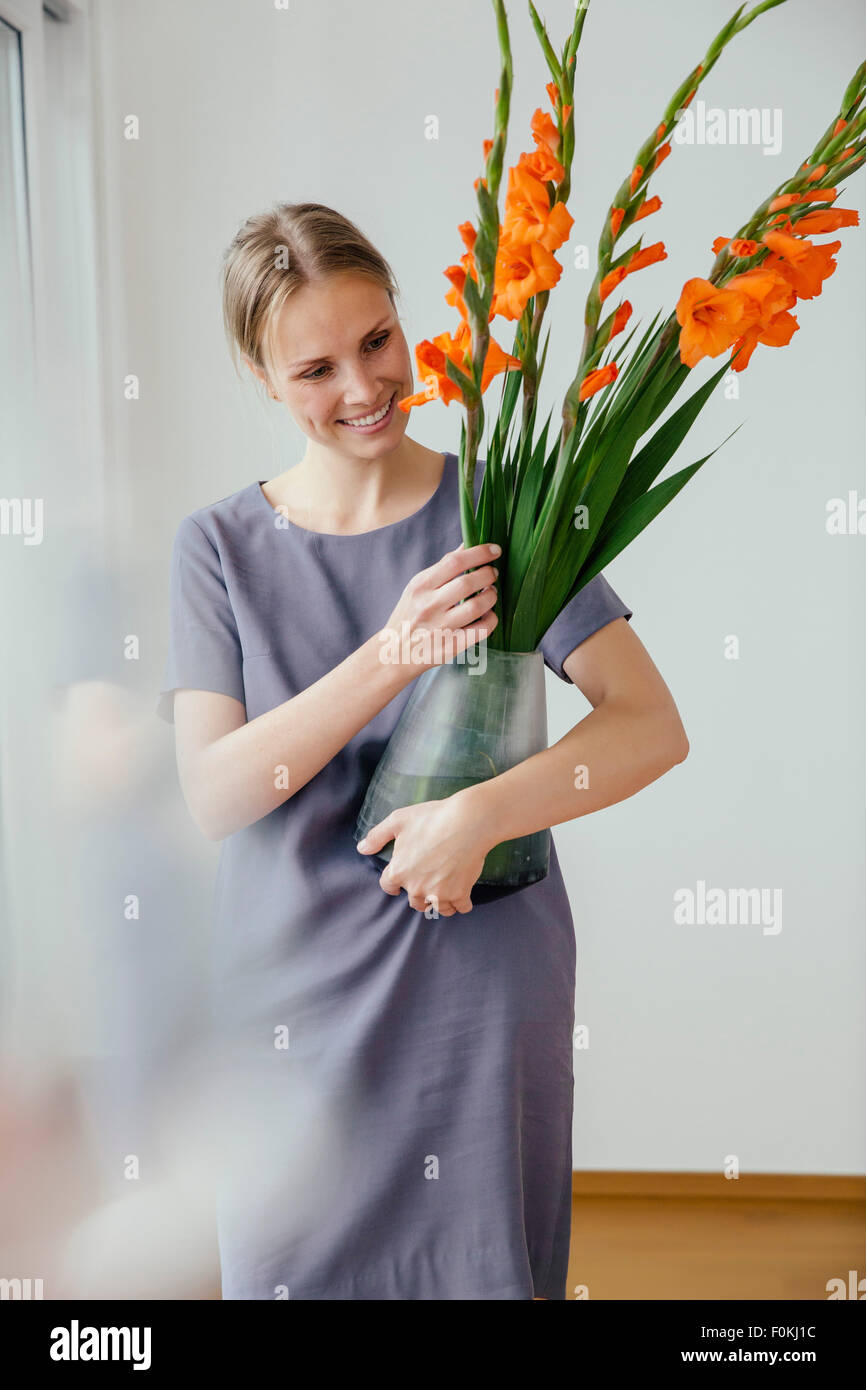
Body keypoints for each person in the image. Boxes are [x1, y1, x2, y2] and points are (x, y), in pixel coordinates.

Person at [156, 201, 689, 1300]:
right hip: (288, 1004)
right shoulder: (214, 546)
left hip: (479, 989)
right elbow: (214, 794)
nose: (362, 389)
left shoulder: (498, 507)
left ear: (404, 322)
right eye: (313, 370)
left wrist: (483, 814)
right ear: (261, 377)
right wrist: (393, 652)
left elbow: (648, 728)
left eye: (376, 341)